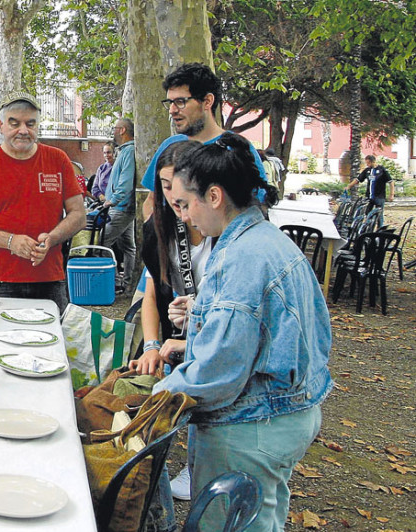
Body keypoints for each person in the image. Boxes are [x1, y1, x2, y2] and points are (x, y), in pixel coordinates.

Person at [155, 132, 332, 530]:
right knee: (262, 517)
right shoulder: (267, 238)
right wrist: (203, 313)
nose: (182, 216)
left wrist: (156, 398)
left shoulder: (242, 257)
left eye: (185, 204)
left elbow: (220, 371)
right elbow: (279, 323)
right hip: (289, 415)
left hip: (253, 425)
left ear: (214, 196)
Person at [129, 140, 210, 503]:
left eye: (178, 185)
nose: (173, 196)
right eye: (163, 185)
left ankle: (199, 468)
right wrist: (150, 345)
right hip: (173, 337)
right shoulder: (158, 225)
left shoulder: (221, 230)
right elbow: (150, 292)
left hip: (208, 341)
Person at [0, 91, 85, 312]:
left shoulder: (58, 159)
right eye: (14, 123)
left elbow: (78, 215)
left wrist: (53, 237)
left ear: (38, 126)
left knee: (51, 343)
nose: (23, 131)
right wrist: (10, 241)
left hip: (49, 279)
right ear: (1, 125)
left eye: (30, 123)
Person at [140, 63, 268, 219]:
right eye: (170, 103)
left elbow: (256, 209)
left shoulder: (237, 149)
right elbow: (151, 201)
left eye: (180, 101)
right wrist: (156, 237)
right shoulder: (169, 147)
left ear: (207, 101)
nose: (172, 110)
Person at [102, 118, 137, 291]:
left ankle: (116, 282)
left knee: (103, 242)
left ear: (122, 130)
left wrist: (112, 200)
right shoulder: (124, 151)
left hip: (120, 208)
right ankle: (128, 283)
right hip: (123, 207)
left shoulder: (129, 151)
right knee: (128, 247)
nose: (113, 131)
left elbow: (126, 182)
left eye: (115, 128)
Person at [345, 154, 394, 225]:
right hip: (369, 197)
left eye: (368, 163)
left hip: (379, 196)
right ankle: (368, 228)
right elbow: (358, 179)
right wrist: (349, 186)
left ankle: (380, 230)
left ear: (373, 162)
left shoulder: (382, 170)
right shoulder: (367, 170)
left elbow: (391, 181)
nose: (367, 164)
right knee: (367, 213)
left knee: (379, 215)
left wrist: (391, 194)